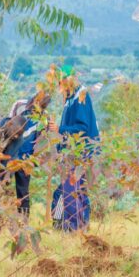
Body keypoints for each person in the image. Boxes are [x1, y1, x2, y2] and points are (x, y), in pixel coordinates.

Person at [48, 66, 100, 231]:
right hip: (72, 154)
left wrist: (59, 129)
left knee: (69, 191)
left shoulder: (80, 96)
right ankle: (70, 227)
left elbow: (82, 128)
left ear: (67, 81)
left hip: (81, 153)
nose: (59, 87)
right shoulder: (71, 98)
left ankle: (72, 230)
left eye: (60, 83)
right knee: (75, 192)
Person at [0, 91, 50, 217]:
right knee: (3, 185)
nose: (37, 106)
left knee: (23, 192)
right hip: (10, 155)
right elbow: (7, 126)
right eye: (36, 103)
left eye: (41, 105)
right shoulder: (19, 105)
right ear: (33, 99)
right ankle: (1, 217)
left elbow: (41, 141)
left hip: (26, 160)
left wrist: (33, 160)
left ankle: (24, 220)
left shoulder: (45, 118)